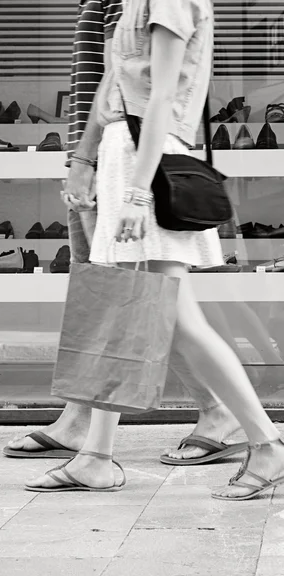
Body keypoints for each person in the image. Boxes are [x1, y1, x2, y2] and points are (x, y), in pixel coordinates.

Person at [23, 0, 284, 501]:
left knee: (178, 321)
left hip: (153, 163)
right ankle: (96, 457)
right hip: (130, 158)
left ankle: (266, 442)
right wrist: (87, 159)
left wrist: (139, 193)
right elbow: (113, 85)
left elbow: (162, 96)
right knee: (125, 311)